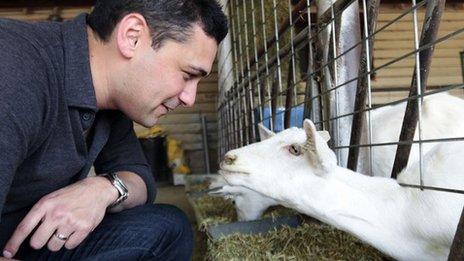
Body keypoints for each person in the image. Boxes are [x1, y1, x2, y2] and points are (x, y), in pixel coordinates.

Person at [0, 0, 228, 260]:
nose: (190, 98)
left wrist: (104, 189)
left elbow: (140, 178)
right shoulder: (14, 70)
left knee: (168, 228)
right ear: (132, 36)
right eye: (188, 75)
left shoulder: (112, 99)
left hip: (32, 238)